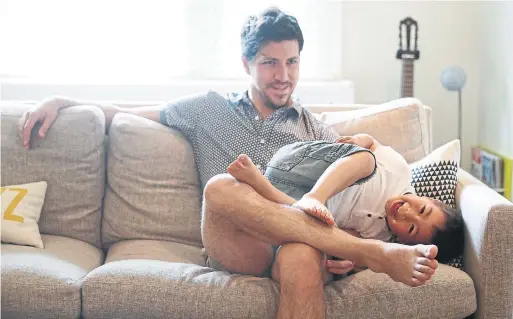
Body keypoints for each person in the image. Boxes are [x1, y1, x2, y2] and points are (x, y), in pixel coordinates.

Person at [18, 7, 441, 319]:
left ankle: (369, 253)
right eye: (270, 63)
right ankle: (376, 253)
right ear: (246, 64)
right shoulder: (209, 109)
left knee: (298, 253)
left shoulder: (316, 131)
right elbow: (128, 113)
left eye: (292, 62)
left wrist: (348, 255)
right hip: (236, 242)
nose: (283, 75)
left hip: (295, 244)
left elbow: (339, 209)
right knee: (221, 186)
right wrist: (64, 101)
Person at [226, 133, 463, 272]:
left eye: (412, 227)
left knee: (325, 229)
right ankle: (316, 196)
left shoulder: (378, 236)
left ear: (403, 241)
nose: (408, 213)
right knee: (367, 160)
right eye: (422, 209)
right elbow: (371, 142)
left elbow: (347, 239)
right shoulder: (398, 170)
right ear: (428, 198)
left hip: (286, 197)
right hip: (304, 164)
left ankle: (261, 186)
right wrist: (358, 141)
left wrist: (347, 261)